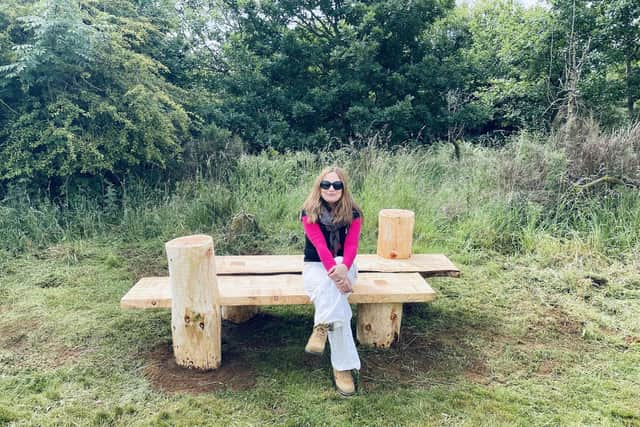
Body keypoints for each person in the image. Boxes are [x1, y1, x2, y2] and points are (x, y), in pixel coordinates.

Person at [300, 166, 363, 396]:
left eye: (337, 185)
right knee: (338, 301)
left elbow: (352, 246)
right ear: (319, 187)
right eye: (326, 184)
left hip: (346, 265)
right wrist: (338, 277)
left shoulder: (354, 213)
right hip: (316, 267)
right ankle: (342, 369)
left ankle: (322, 326)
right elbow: (320, 246)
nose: (331, 189)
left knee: (333, 288)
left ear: (343, 188)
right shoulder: (309, 211)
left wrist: (344, 269)